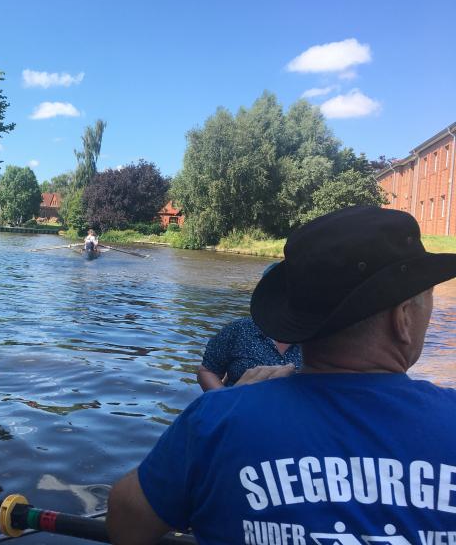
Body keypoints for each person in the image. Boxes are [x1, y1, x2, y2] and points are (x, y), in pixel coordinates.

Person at [106, 206, 456, 544]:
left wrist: (231, 404)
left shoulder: (216, 421)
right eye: (428, 300)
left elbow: (124, 527)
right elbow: (208, 367)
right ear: (404, 317)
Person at [197, 264, 301, 391]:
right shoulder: (240, 329)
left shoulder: (318, 337)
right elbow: (207, 371)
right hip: (238, 408)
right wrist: (226, 399)